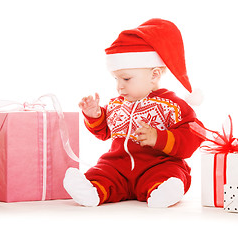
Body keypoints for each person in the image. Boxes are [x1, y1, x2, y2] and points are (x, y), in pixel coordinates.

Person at [63, 18, 204, 207]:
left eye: (126, 79)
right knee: (103, 171)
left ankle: (164, 191)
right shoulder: (117, 104)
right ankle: (92, 190)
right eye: (116, 79)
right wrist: (95, 115)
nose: (119, 86)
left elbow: (193, 135)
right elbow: (105, 131)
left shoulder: (173, 105)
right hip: (118, 165)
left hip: (156, 165)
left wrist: (158, 138)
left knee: (171, 172)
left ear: (154, 75)